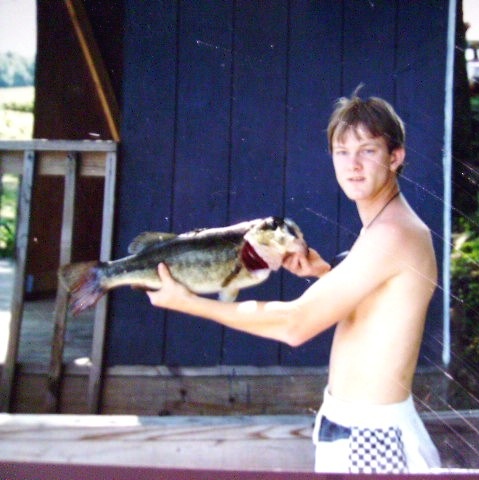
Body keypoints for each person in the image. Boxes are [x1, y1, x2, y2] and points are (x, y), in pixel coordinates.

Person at [146, 90, 442, 473]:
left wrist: (188, 302)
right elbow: (376, 310)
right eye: (341, 152)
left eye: (367, 150)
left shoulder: (394, 233)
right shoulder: (382, 228)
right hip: (353, 429)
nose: (353, 165)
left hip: (374, 439)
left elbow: (295, 325)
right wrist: (324, 273)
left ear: (395, 157)